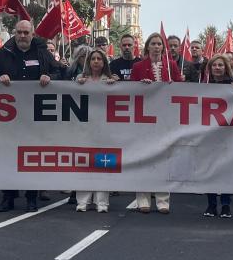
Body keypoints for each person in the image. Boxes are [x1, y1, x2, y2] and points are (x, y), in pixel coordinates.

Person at [0, 19, 58, 212]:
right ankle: (8, 197)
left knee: (32, 157)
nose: (22, 36)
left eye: (26, 32)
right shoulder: (3, 53)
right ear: (14, 33)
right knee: (8, 156)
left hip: (35, 116)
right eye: (19, 32)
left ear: (32, 34)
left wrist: (50, 77)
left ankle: (31, 197)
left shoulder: (42, 53)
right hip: (9, 117)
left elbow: (60, 71)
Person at [130, 33, 183, 214]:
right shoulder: (138, 67)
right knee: (143, 158)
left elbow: (181, 89)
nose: (156, 46)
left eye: (159, 44)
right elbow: (129, 91)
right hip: (143, 118)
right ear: (147, 46)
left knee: (163, 158)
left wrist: (174, 84)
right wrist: (140, 85)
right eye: (153, 43)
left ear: (163, 47)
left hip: (165, 118)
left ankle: (162, 200)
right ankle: (143, 198)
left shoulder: (172, 65)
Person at [74, 49, 117, 213]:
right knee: (84, 164)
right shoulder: (81, 79)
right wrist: (78, 84)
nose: (96, 61)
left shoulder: (110, 79)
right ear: (89, 62)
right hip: (85, 128)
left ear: (104, 62)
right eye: (93, 59)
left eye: (99, 59)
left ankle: (102, 202)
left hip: (105, 128)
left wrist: (115, 85)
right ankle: (82, 201)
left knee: (103, 164)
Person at [201, 54, 233, 218]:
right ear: (210, 68)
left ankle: (225, 205)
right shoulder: (202, 86)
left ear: (226, 67)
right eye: (214, 65)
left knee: (225, 170)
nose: (217, 68)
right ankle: (211, 204)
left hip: (228, 134)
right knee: (209, 169)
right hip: (208, 134)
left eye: (220, 65)